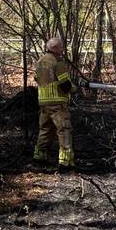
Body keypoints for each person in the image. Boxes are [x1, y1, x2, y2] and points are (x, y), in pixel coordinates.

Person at [33, 37, 75, 169]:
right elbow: (65, 85)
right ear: (55, 49)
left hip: (43, 103)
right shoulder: (58, 62)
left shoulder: (40, 62)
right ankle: (65, 161)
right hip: (58, 104)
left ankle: (39, 156)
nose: (63, 50)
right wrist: (75, 88)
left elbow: (37, 79)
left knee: (45, 129)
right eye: (61, 47)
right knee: (64, 130)